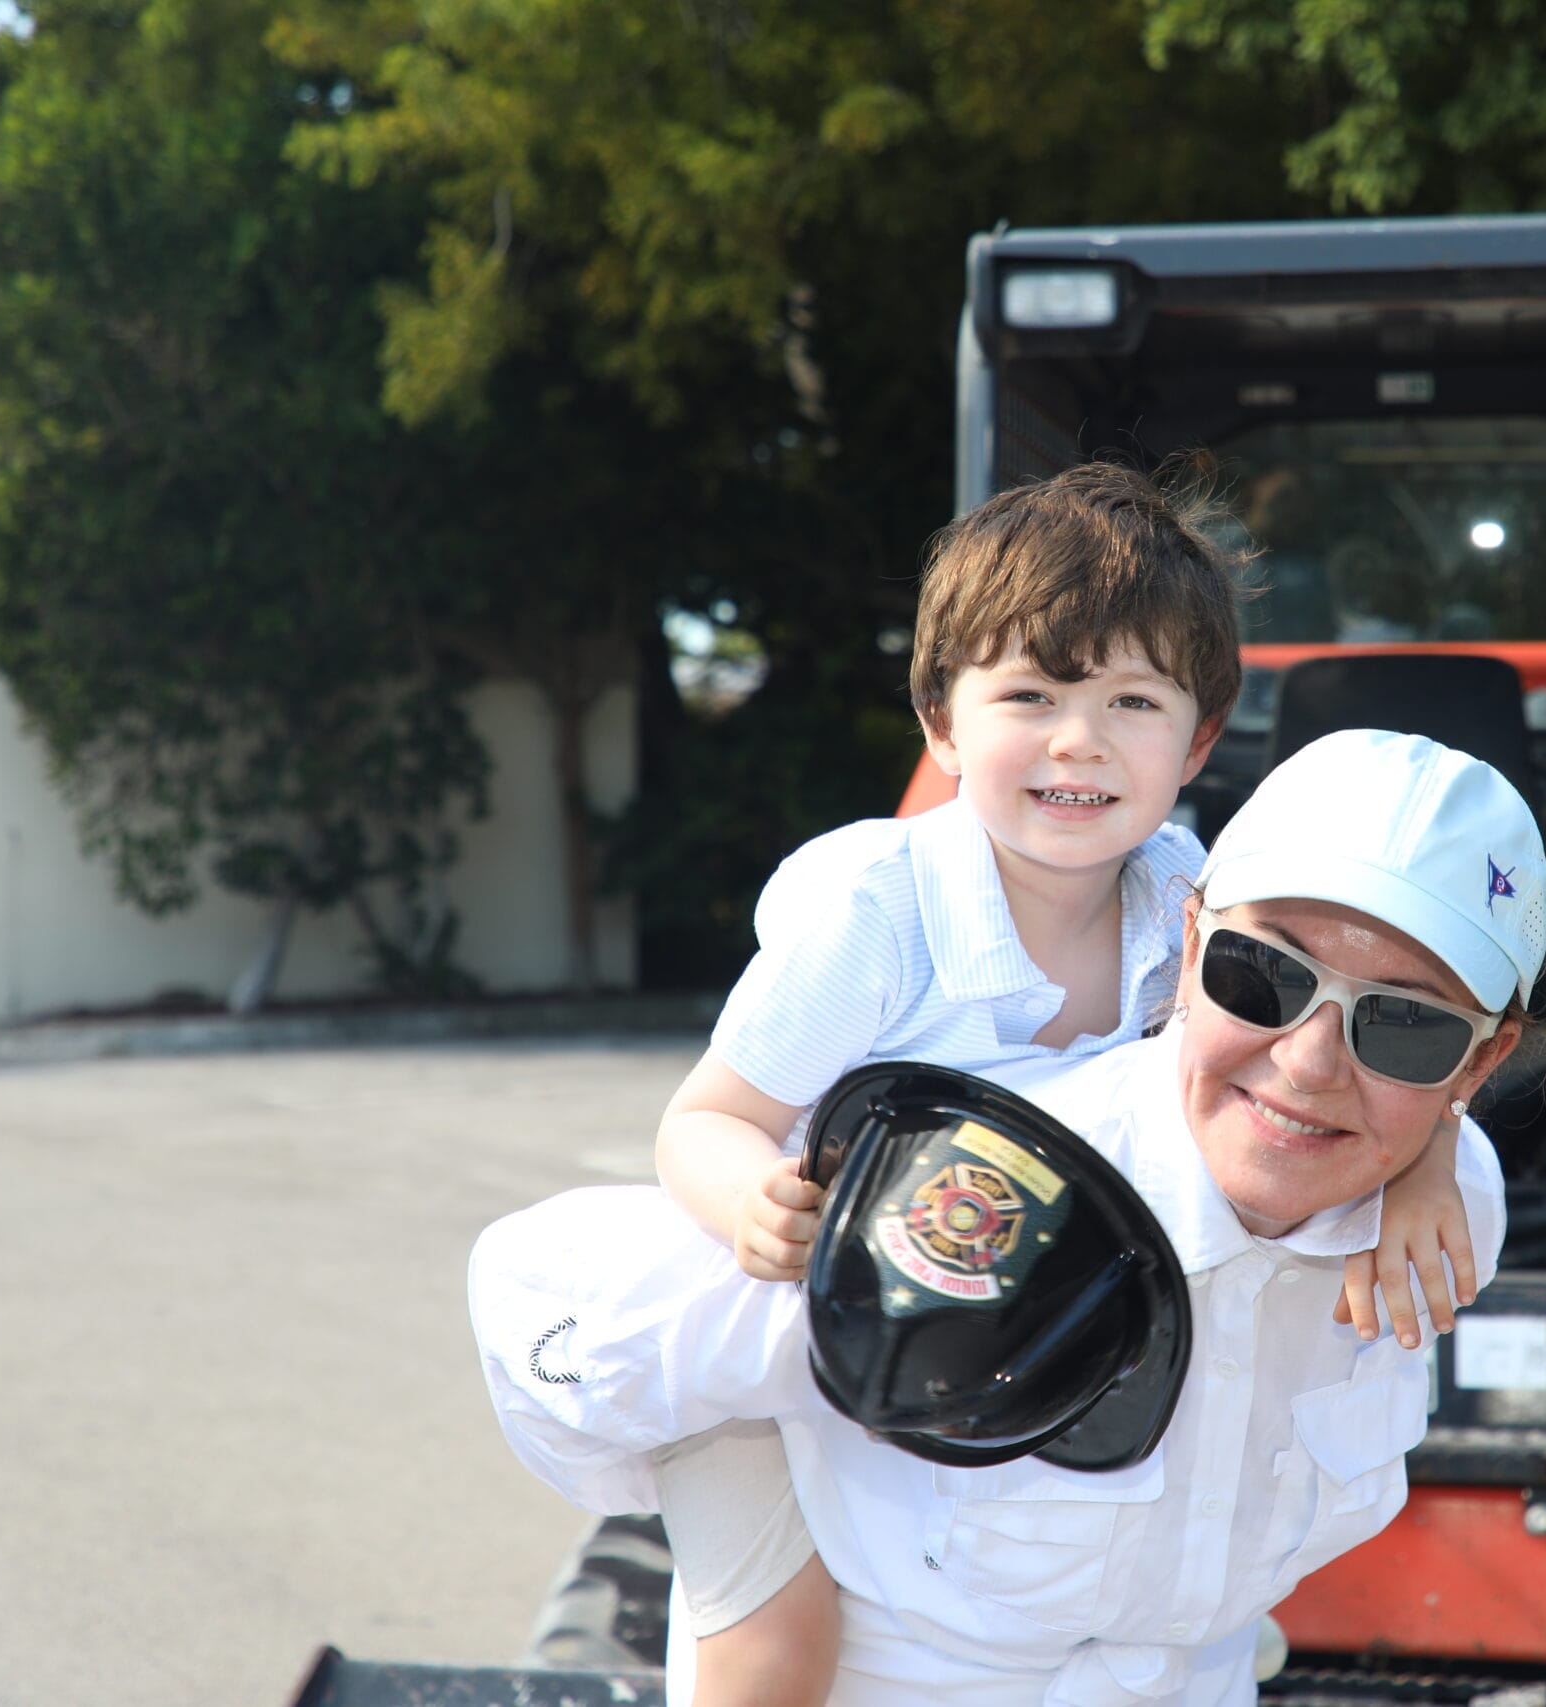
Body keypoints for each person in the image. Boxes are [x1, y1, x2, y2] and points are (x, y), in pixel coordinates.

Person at [635, 467, 1490, 1705]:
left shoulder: (1192, 903)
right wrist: (750, 1207)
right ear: (941, 723)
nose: (1078, 740)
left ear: (1197, 742)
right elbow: (705, 1118)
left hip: (1005, 1320)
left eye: (1131, 701)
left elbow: (1338, 1051)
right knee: (775, 1650)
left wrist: (1423, 1166)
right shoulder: (874, 920)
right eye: (1030, 695)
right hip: (795, 1336)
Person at [475, 727, 1546, 1706]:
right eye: (1262, 975)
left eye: (1404, 1027)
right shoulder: (991, 1205)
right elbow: (542, 1301)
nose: (1309, 1064)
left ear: (1480, 1063)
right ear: (1187, 947)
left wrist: (1431, 1151)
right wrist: (749, 1556)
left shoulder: (1446, 1210)